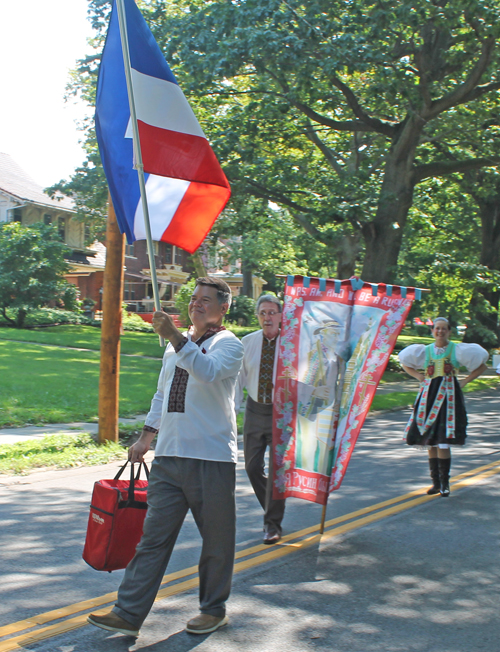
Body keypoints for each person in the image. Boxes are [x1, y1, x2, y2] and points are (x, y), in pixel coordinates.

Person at [88, 277, 243, 637]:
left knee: (217, 541)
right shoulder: (176, 347)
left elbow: (206, 372)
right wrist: (145, 437)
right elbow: (162, 394)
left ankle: (213, 609)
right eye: (193, 298)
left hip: (211, 458)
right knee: (152, 539)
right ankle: (127, 613)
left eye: (206, 300)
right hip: (169, 456)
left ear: (223, 308)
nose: (196, 304)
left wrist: (176, 336)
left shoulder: (229, 344)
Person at [399, 317, 488, 497]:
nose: (440, 331)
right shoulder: (424, 351)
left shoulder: (457, 350)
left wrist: (463, 382)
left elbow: (481, 367)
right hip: (428, 397)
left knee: (443, 440)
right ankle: (436, 483)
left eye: (444, 329)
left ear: (449, 331)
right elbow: (405, 363)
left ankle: (445, 484)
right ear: (432, 331)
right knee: (430, 440)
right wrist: (419, 377)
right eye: (437, 328)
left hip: (448, 399)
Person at [235, 294, 286, 545]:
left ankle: (272, 524)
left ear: (281, 316)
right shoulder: (247, 342)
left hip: (282, 414)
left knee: (278, 471)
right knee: (252, 467)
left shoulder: (292, 344)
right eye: (262, 313)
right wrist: (231, 410)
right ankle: (272, 506)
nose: (267, 317)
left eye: (272, 312)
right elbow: (238, 380)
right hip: (255, 410)